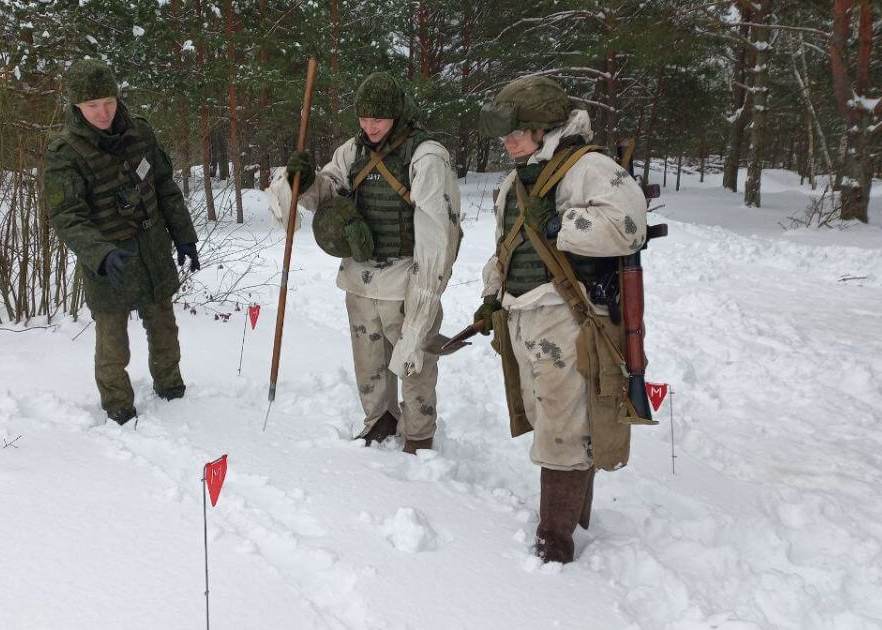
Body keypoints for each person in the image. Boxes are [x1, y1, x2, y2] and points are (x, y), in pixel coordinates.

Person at [475, 75, 648, 563]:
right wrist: (492, 296)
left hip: (569, 313)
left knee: (562, 426)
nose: (507, 142)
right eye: (504, 134)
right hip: (522, 312)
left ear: (542, 126)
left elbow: (629, 227)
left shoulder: (589, 167)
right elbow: (505, 250)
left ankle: (557, 538)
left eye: (516, 132)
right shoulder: (516, 179)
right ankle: (571, 515)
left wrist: (561, 224)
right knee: (548, 415)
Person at [267, 72, 461, 454]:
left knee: (413, 359)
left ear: (398, 115)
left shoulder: (426, 157)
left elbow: (439, 236)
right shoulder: (352, 152)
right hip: (359, 276)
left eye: (379, 119)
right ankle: (379, 418)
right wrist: (304, 181)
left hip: (406, 277)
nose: (370, 126)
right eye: (364, 118)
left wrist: (426, 295)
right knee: (368, 359)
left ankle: (419, 434)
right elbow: (328, 193)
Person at [43, 59, 200, 425]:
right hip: (109, 258)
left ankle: (172, 388)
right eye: (92, 105)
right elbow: (66, 216)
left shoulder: (140, 133)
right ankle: (118, 405)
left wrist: (184, 237)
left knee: (164, 324)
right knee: (113, 339)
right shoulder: (65, 153)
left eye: (108, 102)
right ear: (77, 106)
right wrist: (100, 253)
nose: (103, 112)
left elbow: (165, 188)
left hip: (151, 248)